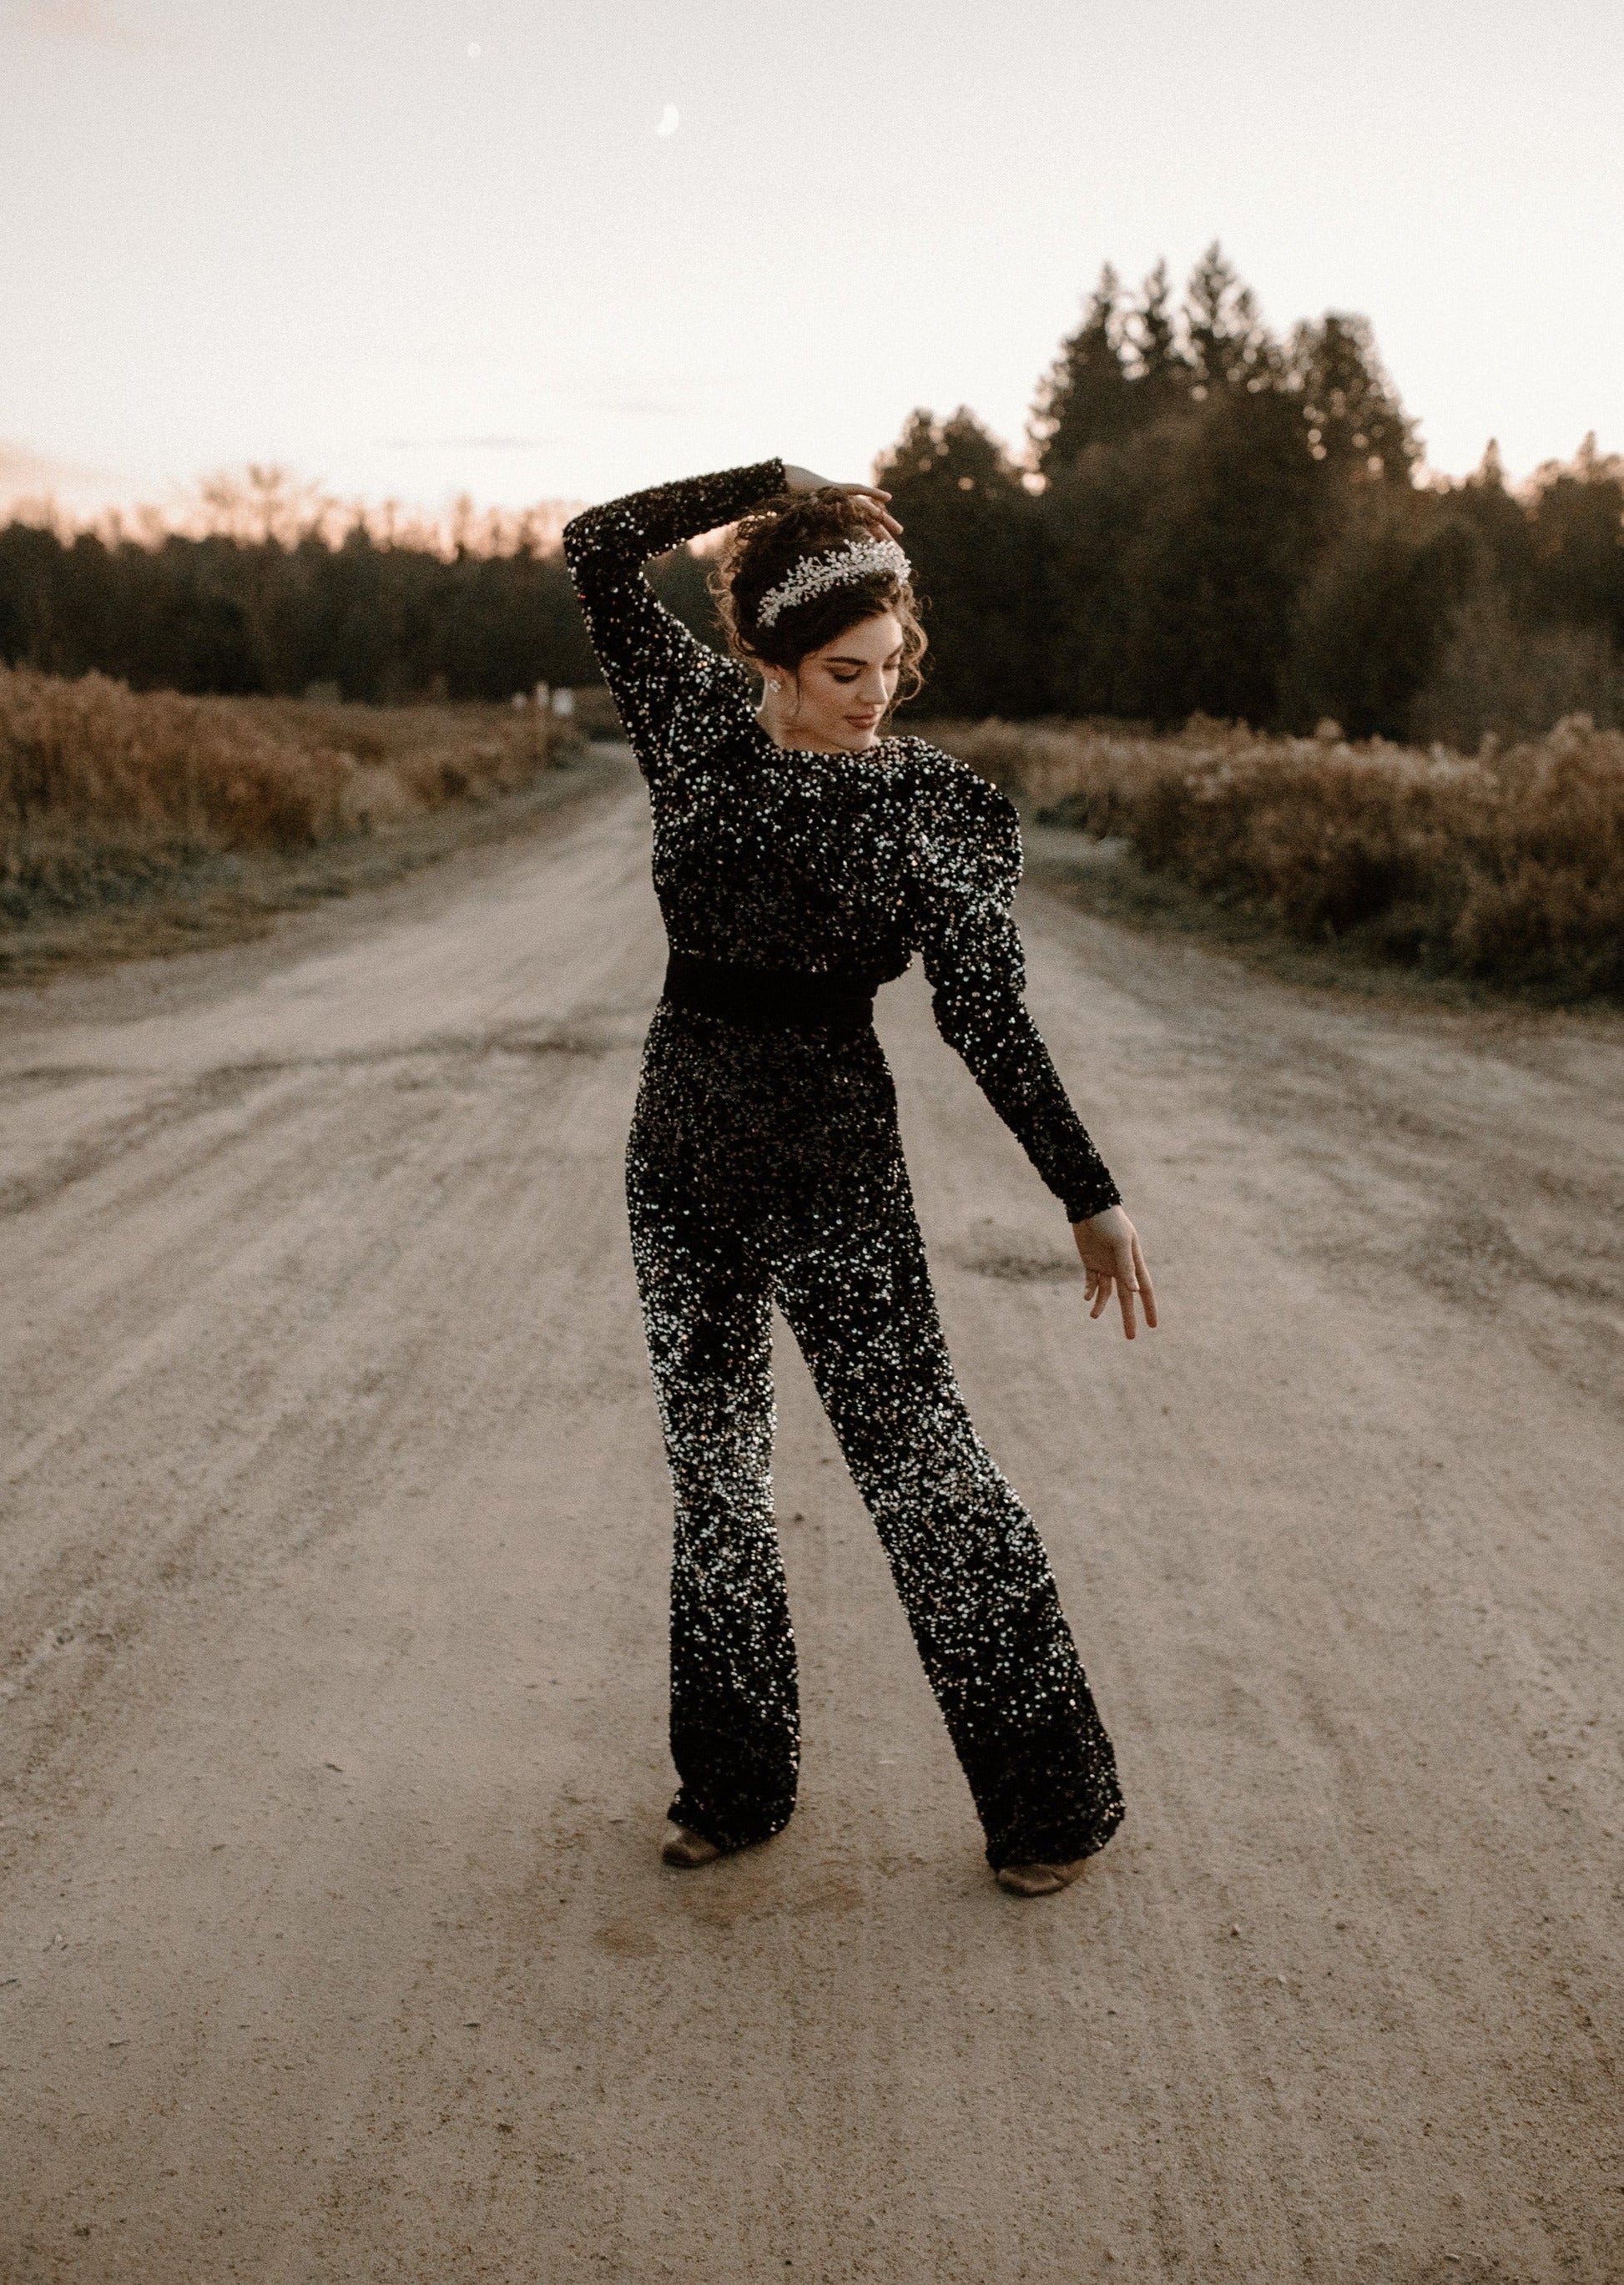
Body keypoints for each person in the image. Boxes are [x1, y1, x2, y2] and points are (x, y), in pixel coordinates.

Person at [563, 460, 1156, 1899]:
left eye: (891, 663)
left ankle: (1050, 1803)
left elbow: (988, 1020)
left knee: (921, 1471)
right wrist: (770, 481)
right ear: (771, 658)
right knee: (717, 1481)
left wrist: (1085, 1191)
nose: (876, 693)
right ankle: (734, 1785)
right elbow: (595, 544)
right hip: (679, 1163)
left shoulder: (935, 805)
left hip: (835, 1170)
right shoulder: (693, 721)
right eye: (845, 669)